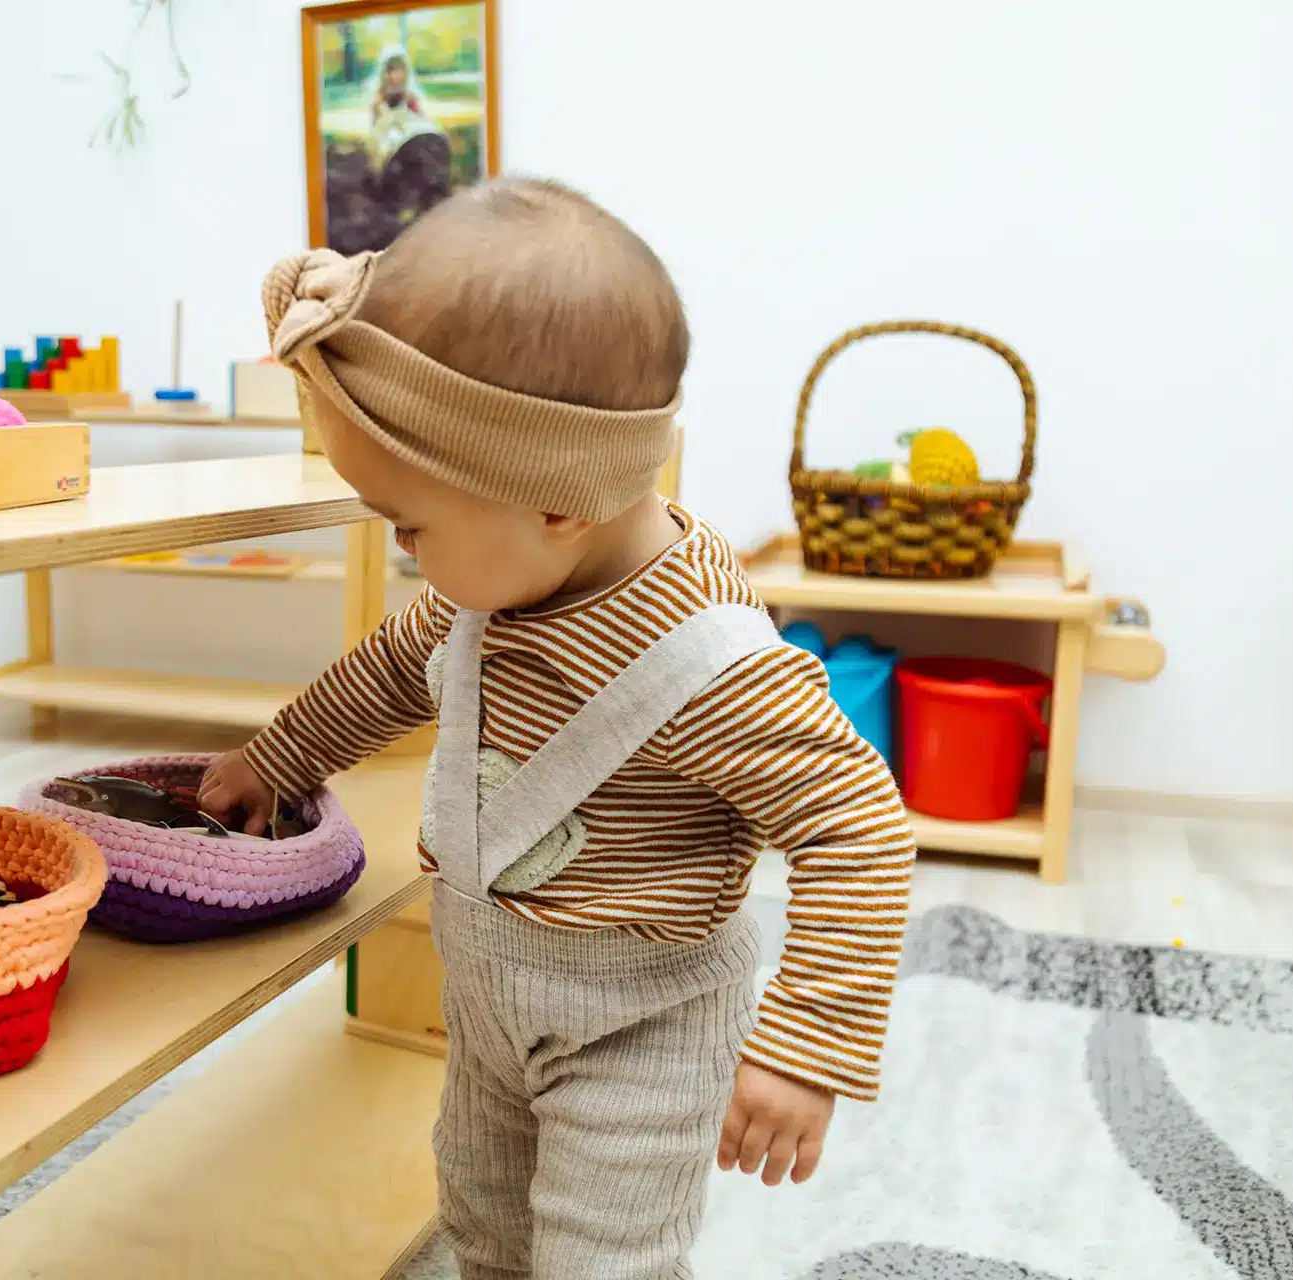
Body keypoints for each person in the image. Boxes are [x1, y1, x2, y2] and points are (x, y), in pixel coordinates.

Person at [200, 177, 914, 1279]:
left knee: (600, 1257)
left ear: (554, 500)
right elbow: (391, 670)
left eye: (410, 527)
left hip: (641, 1023)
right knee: (484, 1220)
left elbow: (860, 829)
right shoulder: (493, 583)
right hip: (489, 994)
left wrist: (807, 1046)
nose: (407, 560)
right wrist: (278, 757)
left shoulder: (710, 667)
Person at [369, 44, 425, 123]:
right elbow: (385, 116)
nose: (399, 75)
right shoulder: (380, 95)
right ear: (387, 73)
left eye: (402, 69)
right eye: (394, 70)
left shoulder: (409, 95)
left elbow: (420, 116)